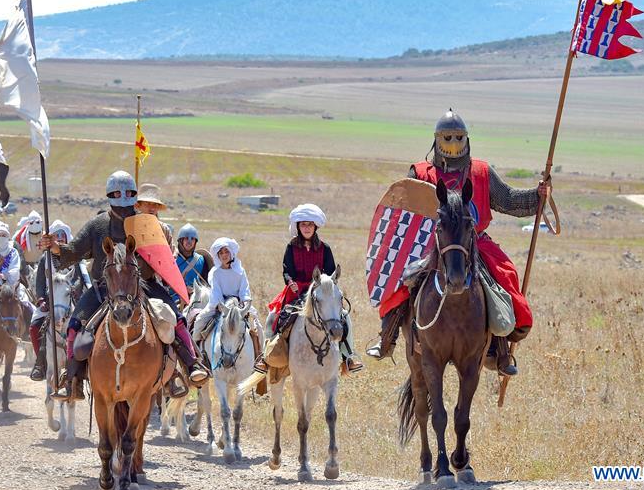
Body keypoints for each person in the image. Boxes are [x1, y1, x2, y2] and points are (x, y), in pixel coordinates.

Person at [366, 109, 551, 377]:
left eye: (458, 137)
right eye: (447, 137)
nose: (453, 143)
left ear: (466, 139)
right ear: (436, 140)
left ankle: (500, 350)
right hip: (433, 244)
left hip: (473, 243)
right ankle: (389, 336)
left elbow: (509, 200)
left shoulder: (481, 172)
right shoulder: (421, 172)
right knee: (404, 281)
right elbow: (404, 211)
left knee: (503, 277)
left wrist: (537, 195)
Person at [40, 171, 138, 400]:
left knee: (172, 318)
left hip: (139, 288)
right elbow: (74, 251)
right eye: (116, 193)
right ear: (109, 195)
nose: (122, 198)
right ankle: (73, 381)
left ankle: (184, 369)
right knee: (75, 324)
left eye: (126, 193)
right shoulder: (98, 225)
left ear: (133, 194)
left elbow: (159, 256)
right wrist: (54, 247)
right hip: (103, 290)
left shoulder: (144, 223)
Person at [256, 204, 363, 375]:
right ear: (298, 227)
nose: (306, 228)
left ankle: (349, 356)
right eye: (303, 224)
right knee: (274, 316)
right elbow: (286, 269)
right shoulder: (291, 247)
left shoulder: (325, 248)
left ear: (315, 226)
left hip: (320, 290)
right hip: (296, 291)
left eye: (310, 224)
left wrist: (324, 286)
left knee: (344, 316)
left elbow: (329, 271)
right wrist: (289, 281)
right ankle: (265, 357)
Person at [132, 186, 209, 385]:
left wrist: (166, 263)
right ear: (138, 205)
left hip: (151, 283)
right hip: (126, 284)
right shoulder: (129, 225)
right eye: (146, 203)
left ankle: (191, 364)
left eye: (154, 204)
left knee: (177, 318)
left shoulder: (164, 230)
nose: (151, 207)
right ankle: (77, 373)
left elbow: (171, 257)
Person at [28, 219, 88, 381]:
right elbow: (40, 282)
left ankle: (86, 365)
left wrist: (75, 293)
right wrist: (41, 300)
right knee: (34, 327)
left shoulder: (76, 259)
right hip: (50, 302)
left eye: (63, 236)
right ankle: (40, 363)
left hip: (72, 301)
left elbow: (81, 281)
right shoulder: (44, 259)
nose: (60, 239)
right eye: (57, 236)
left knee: (90, 328)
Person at [193, 237, 265, 369]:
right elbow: (216, 293)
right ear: (218, 256)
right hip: (221, 305)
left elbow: (244, 290)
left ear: (231, 253)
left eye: (226, 252)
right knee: (199, 322)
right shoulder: (215, 273)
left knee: (257, 327)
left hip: (239, 305)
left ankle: (260, 358)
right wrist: (221, 306)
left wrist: (245, 303)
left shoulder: (240, 271)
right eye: (221, 253)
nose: (224, 255)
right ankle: (197, 359)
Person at [172, 223, 212, 299]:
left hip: (195, 300)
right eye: (186, 238)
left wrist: (194, 290)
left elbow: (206, 285)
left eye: (192, 239)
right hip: (174, 298)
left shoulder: (201, 260)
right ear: (181, 240)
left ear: (195, 241)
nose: (189, 242)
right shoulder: (172, 259)